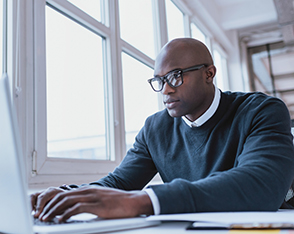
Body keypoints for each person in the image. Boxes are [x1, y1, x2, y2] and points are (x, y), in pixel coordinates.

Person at [31, 38, 294, 223]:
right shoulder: (155, 128)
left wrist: (144, 201)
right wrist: (68, 194)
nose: (166, 89)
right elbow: (119, 184)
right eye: (159, 80)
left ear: (209, 73)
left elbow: (261, 184)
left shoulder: (261, 110)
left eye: (176, 76)